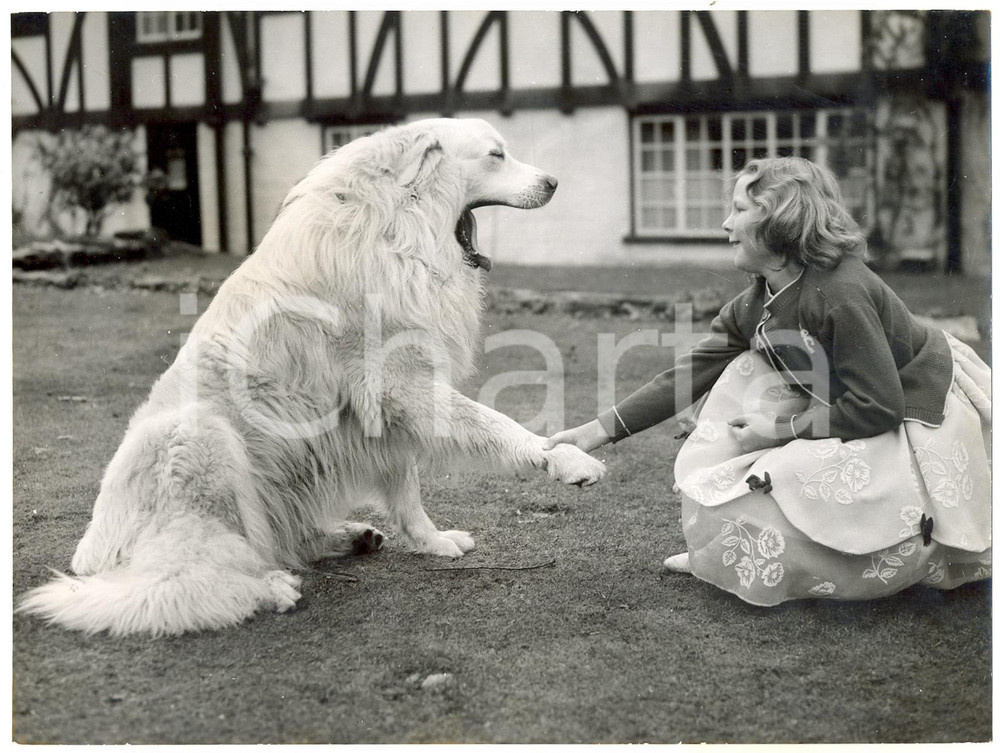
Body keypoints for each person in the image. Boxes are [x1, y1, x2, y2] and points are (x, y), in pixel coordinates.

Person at [546, 156, 991, 605]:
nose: (725, 224)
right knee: (741, 374)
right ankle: (722, 556)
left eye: (739, 210)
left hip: (913, 406)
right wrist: (593, 432)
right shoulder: (760, 295)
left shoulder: (840, 293)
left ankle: (844, 568)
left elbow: (880, 407)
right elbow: (687, 374)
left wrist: (778, 434)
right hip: (842, 398)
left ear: (781, 220)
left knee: (810, 481)